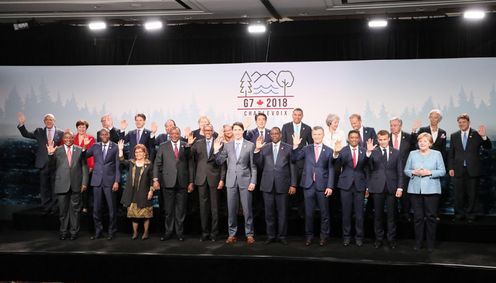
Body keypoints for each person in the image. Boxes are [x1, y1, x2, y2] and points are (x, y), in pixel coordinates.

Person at [214, 122, 257, 245]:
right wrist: (216, 150)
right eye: (235, 130)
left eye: (239, 129)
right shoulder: (227, 146)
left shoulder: (250, 145)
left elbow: (253, 166)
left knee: (247, 209)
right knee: (231, 209)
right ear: (232, 131)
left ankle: (249, 234)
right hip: (231, 180)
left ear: (243, 131)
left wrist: (253, 181)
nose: (237, 132)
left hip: (246, 180)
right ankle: (232, 234)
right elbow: (219, 161)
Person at [292, 126, 334, 246]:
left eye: (319, 134)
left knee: (324, 213)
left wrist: (330, 186)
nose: (317, 136)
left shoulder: (329, 150)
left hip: (323, 186)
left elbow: (331, 169)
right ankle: (309, 236)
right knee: (309, 213)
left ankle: (324, 237)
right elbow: (294, 158)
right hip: (308, 185)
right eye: (315, 134)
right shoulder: (306, 149)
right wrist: (295, 146)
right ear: (312, 135)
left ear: (323, 135)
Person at [254, 127, 297, 245]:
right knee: (269, 213)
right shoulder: (264, 147)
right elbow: (258, 164)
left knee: (282, 213)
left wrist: (293, 184)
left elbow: (292, 166)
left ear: (281, 135)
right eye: (272, 134)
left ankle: (282, 236)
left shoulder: (288, 148)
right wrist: (257, 150)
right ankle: (271, 235)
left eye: (276, 133)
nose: (274, 135)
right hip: (267, 185)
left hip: (283, 185)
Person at [404, 133, 446, 252]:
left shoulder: (437, 154)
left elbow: (442, 171)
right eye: (420, 141)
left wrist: (429, 172)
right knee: (418, 218)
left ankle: (430, 244)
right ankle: (418, 243)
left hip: (432, 190)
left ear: (430, 143)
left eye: (425, 141)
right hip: (415, 190)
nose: (422, 143)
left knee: (431, 217)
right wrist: (414, 172)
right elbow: (406, 170)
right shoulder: (412, 154)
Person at [17, 112, 64, 215]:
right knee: (44, 186)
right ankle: (46, 206)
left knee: (55, 186)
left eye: (50, 119)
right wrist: (21, 124)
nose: (48, 121)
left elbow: (66, 146)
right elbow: (26, 134)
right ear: (44, 122)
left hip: (56, 163)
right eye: (46, 119)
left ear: (54, 121)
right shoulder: (39, 131)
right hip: (43, 163)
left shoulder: (61, 133)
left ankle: (55, 207)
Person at [448, 113, 492, 223]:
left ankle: (471, 215)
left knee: (472, 194)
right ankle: (459, 214)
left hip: (473, 169)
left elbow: (488, 147)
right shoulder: (454, 135)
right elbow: (451, 154)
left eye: (464, 122)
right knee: (458, 194)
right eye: (460, 122)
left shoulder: (477, 134)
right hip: (458, 169)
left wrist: (484, 136)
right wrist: (451, 168)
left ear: (469, 122)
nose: (461, 124)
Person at [153, 127, 194, 241]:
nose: (175, 135)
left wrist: (191, 182)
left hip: (182, 182)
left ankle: (179, 233)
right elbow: (157, 163)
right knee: (168, 210)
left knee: (181, 210)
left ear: (180, 134)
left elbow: (190, 164)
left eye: (177, 133)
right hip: (167, 181)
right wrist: (156, 179)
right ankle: (168, 232)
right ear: (169, 134)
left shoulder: (186, 145)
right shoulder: (163, 146)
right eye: (172, 133)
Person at [46, 131, 89, 240]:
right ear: (63, 139)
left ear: (73, 138)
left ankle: (74, 232)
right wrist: (50, 154)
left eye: (70, 137)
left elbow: (84, 167)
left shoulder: (79, 150)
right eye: (66, 137)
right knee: (63, 211)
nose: (68, 139)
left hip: (76, 185)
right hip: (61, 185)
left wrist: (84, 182)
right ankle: (63, 232)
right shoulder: (57, 150)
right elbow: (51, 167)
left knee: (75, 211)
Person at [366, 130, 403, 249]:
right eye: (380, 140)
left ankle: (391, 239)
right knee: (378, 215)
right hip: (377, 187)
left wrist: (400, 187)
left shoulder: (396, 152)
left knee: (392, 215)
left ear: (388, 139)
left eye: (384, 139)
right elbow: (367, 168)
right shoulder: (373, 152)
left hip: (392, 187)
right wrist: (368, 152)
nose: (382, 142)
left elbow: (400, 172)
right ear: (378, 140)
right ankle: (379, 239)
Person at [333, 130, 371, 247]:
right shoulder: (342, 150)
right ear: (348, 139)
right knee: (346, 213)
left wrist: (369, 154)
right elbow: (336, 167)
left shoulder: (365, 151)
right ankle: (346, 237)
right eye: (351, 137)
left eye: (356, 137)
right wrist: (336, 154)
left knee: (359, 214)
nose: (354, 139)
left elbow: (367, 168)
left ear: (359, 139)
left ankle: (359, 237)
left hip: (360, 185)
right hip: (345, 185)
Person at [189, 124, 226, 242]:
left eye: (210, 130)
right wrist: (188, 144)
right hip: (201, 178)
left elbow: (222, 163)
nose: (208, 132)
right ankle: (205, 233)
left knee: (215, 208)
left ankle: (214, 233)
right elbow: (189, 156)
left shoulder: (219, 143)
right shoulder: (197, 143)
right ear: (203, 132)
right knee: (203, 208)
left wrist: (222, 179)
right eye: (206, 130)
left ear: (213, 131)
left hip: (214, 179)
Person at [84, 128, 120, 240]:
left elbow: (118, 165)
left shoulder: (115, 146)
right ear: (99, 136)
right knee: (96, 209)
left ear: (109, 135)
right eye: (102, 134)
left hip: (110, 182)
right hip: (97, 181)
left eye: (106, 134)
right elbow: (84, 156)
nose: (104, 135)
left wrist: (117, 181)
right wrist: (85, 147)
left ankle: (111, 232)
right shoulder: (95, 146)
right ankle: (98, 231)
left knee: (111, 209)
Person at [119, 142, 155, 240]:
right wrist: (120, 150)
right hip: (132, 193)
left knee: (146, 215)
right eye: (136, 152)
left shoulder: (149, 164)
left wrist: (151, 191)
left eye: (140, 152)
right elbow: (122, 161)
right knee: (134, 216)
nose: (138, 154)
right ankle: (135, 233)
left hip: (144, 192)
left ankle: (145, 232)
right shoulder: (131, 162)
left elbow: (153, 179)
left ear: (144, 153)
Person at [281, 108, 313, 219]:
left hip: (302, 164)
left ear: (302, 116)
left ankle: (301, 215)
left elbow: (311, 146)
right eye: (295, 115)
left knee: (300, 190)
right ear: (292, 115)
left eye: (299, 115)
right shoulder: (286, 127)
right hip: (289, 162)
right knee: (289, 189)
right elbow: (283, 144)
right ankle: (288, 215)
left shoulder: (308, 128)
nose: (297, 117)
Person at [389, 117, 414, 221]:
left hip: (404, 170)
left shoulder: (408, 137)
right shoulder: (386, 137)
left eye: (395, 125)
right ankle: (393, 215)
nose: (392, 127)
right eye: (391, 125)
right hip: (390, 171)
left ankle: (405, 214)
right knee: (391, 195)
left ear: (400, 125)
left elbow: (414, 152)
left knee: (405, 195)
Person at [73, 120, 95, 214]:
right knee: (75, 186)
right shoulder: (73, 138)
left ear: (86, 128)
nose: (81, 129)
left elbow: (93, 154)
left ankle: (85, 206)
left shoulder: (91, 138)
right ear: (77, 128)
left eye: (83, 127)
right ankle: (77, 205)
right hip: (74, 166)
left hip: (86, 166)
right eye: (80, 127)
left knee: (85, 187)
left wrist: (91, 166)